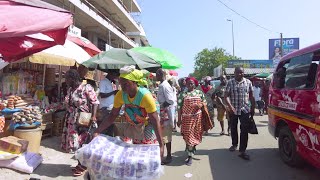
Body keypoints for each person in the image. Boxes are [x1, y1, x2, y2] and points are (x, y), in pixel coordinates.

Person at [94, 65, 164, 161]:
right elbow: (112, 116)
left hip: (149, 124)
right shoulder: (121, 95)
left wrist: (161, 145)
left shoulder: (145, 96)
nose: (122, 87)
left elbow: (155, 120)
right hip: (134, 123)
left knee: (146, 153)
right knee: (134, 153)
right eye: (121, 84)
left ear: (135, 82)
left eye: (126, 84)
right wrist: (98, 131)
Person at [61, 69, 99, 176]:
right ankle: (80, 163)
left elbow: (95, 102)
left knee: (82, 142)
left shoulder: (86, 87)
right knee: (75, 143)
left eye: (67, 78)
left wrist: (94, 116)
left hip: (83, 119)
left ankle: (82, 165)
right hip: (72, 119)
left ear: (73, 78)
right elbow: (68, 104)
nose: (66, 80)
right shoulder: (70, 89)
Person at [177, 77, 211, 166]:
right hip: (186, 120)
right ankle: (190, 153)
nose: (190, 85)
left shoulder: (199, 93)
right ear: (186, 84)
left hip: (197, 119)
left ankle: (190, 153)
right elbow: (179, 108)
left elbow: (205, 102)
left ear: (195, 84)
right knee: (188, 136)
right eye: (188, 83)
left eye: (192, 83)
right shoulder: (182, 94)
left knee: (195, 136)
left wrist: (200, 104)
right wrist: (179, 119)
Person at [225, 67, 255, 160]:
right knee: (233, 127)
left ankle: (242, 150)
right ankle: (234, 144)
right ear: (234, 73)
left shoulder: (248, 82)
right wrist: (230, 107)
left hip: (244, 109)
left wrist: (253, 108)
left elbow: (251, 96)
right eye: (237, 72)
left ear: (243, 73)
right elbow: (226, 96)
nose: (239, 74)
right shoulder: (230, 82)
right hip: (233, 110)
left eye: (241, 72)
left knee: (244, 129)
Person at [156, 68, 175, 165]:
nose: (155, 76)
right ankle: (163, 156)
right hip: (162, 113)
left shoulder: (165, 86)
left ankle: (169, 156)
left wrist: (161, 106)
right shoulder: (161, 85)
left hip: (165, 114)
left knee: (166, 136)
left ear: (160, 75)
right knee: (162, 135)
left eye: (156, 74)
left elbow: (170, 100)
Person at [98, 70, 120, 136]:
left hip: (110, 108)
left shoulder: (109, 82)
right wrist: (113, 92)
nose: (115, 77)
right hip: (105, 108)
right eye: (115, 75)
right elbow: (102, 95)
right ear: (111, 74)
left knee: (110, 128)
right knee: (105, 128)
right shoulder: (103, 82)